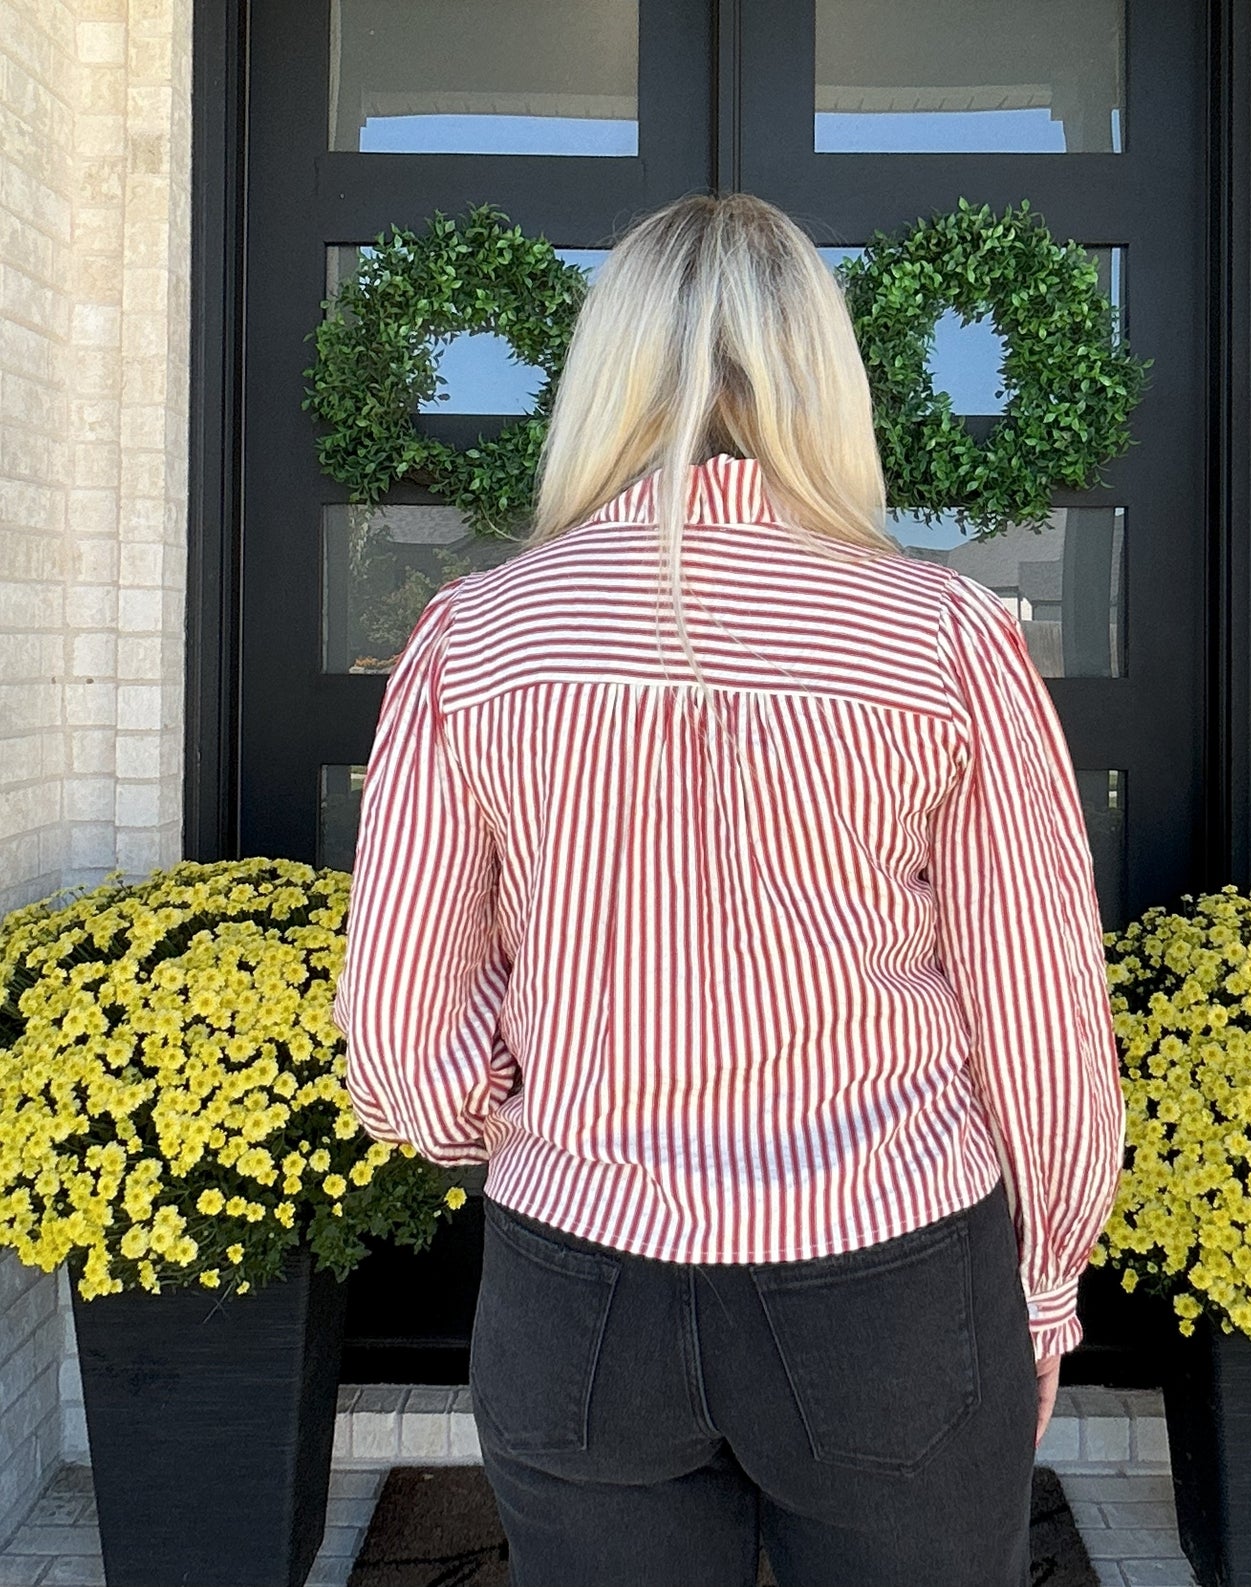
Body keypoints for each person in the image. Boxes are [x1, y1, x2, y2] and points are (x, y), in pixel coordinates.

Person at [330, 190, 1128, 1587]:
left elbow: (397, 1036)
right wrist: (1046, 1279)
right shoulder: (943, 640)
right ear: (825, 376)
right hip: (886, 1271)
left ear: (605, 377)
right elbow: (1039, 1007)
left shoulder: (478, 637)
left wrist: (513, 1116)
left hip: (577, 1276)